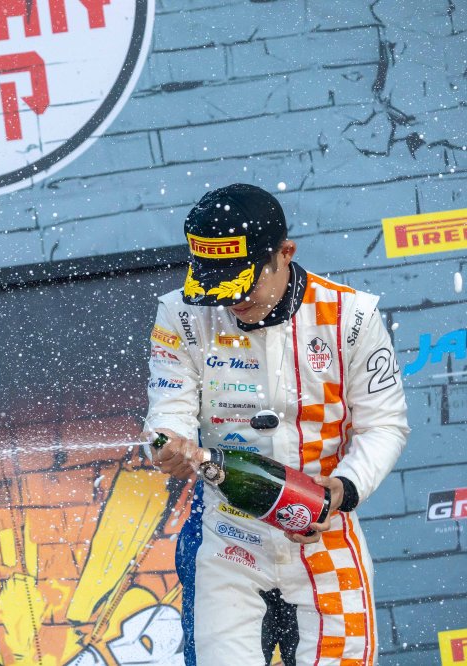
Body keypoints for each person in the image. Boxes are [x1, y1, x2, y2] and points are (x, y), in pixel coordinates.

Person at [145, 183, 409, 666]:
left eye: (242, 282)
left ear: (285, 253)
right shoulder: (181, 314)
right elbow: (168, 408)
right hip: (228, 538)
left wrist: (342, 489)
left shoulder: (350, 316)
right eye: (214, 283)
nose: (230, 299)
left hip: (325, 531)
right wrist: (167, 444)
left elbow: (384, 424)